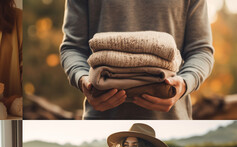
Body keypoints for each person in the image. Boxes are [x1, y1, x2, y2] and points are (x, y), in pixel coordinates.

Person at [60, 0, 214, 119]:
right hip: (102, 118)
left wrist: (185, 83)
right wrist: (83, 80)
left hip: (171, 119)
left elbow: (201, 50)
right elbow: (72, 47)